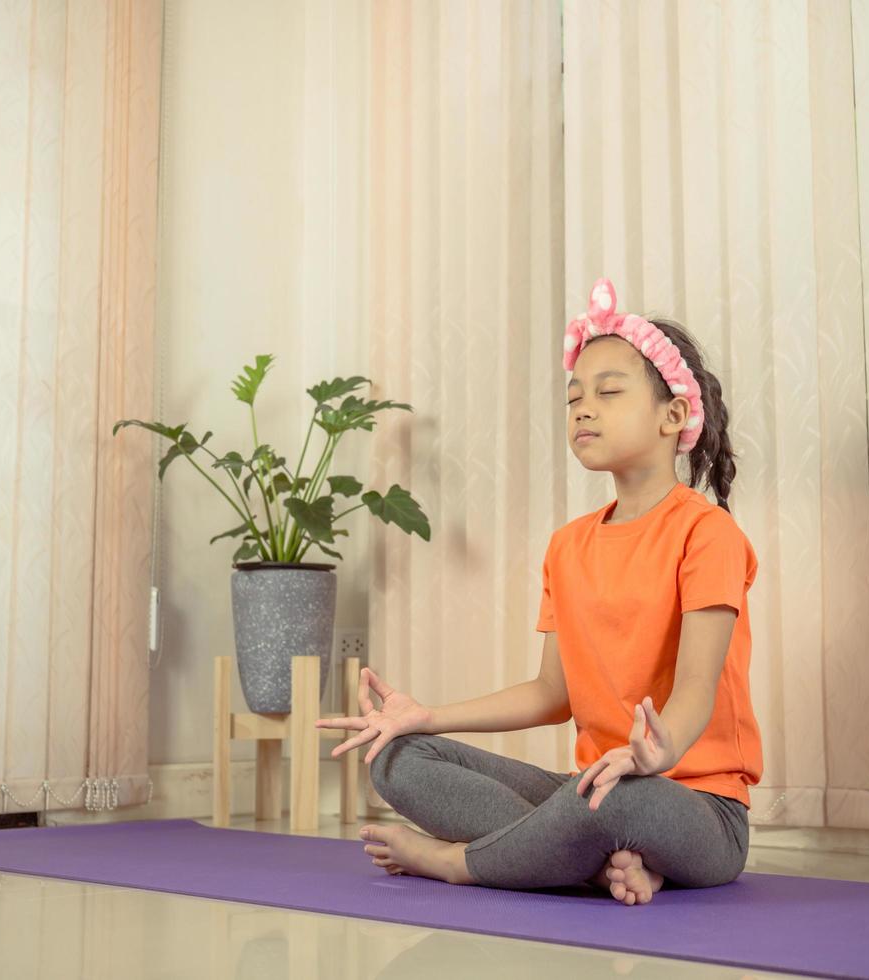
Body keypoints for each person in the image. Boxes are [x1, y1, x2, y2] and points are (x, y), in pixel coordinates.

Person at [315, 278, 762, 905]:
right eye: (574, 395)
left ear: (674, 414)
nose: (583, 408)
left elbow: (695, 689)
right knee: (398, 758)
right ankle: (600, 865)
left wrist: (658, 755)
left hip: (695, 810)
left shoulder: (707, 533)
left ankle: (460, 863)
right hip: (590, 791)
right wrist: (426, 716)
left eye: (608, 392)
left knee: (621, 798)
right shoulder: (567, 545)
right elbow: (552, 694)